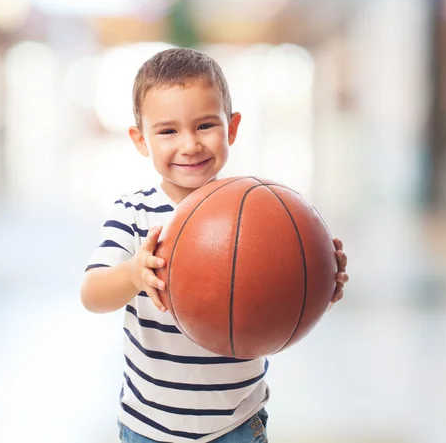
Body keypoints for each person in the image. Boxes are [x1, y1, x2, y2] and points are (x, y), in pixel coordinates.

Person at [80, 47, 349, 443]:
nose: (189, 144)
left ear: (232, 128)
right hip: (148, 427)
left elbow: (283, 293)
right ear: (140, 140)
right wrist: (134, 272)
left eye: (205, 125)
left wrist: (318, 279)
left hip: (236, 425)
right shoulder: (134, 213)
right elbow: (92, 294)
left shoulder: (261, 213)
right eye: (168, 131)